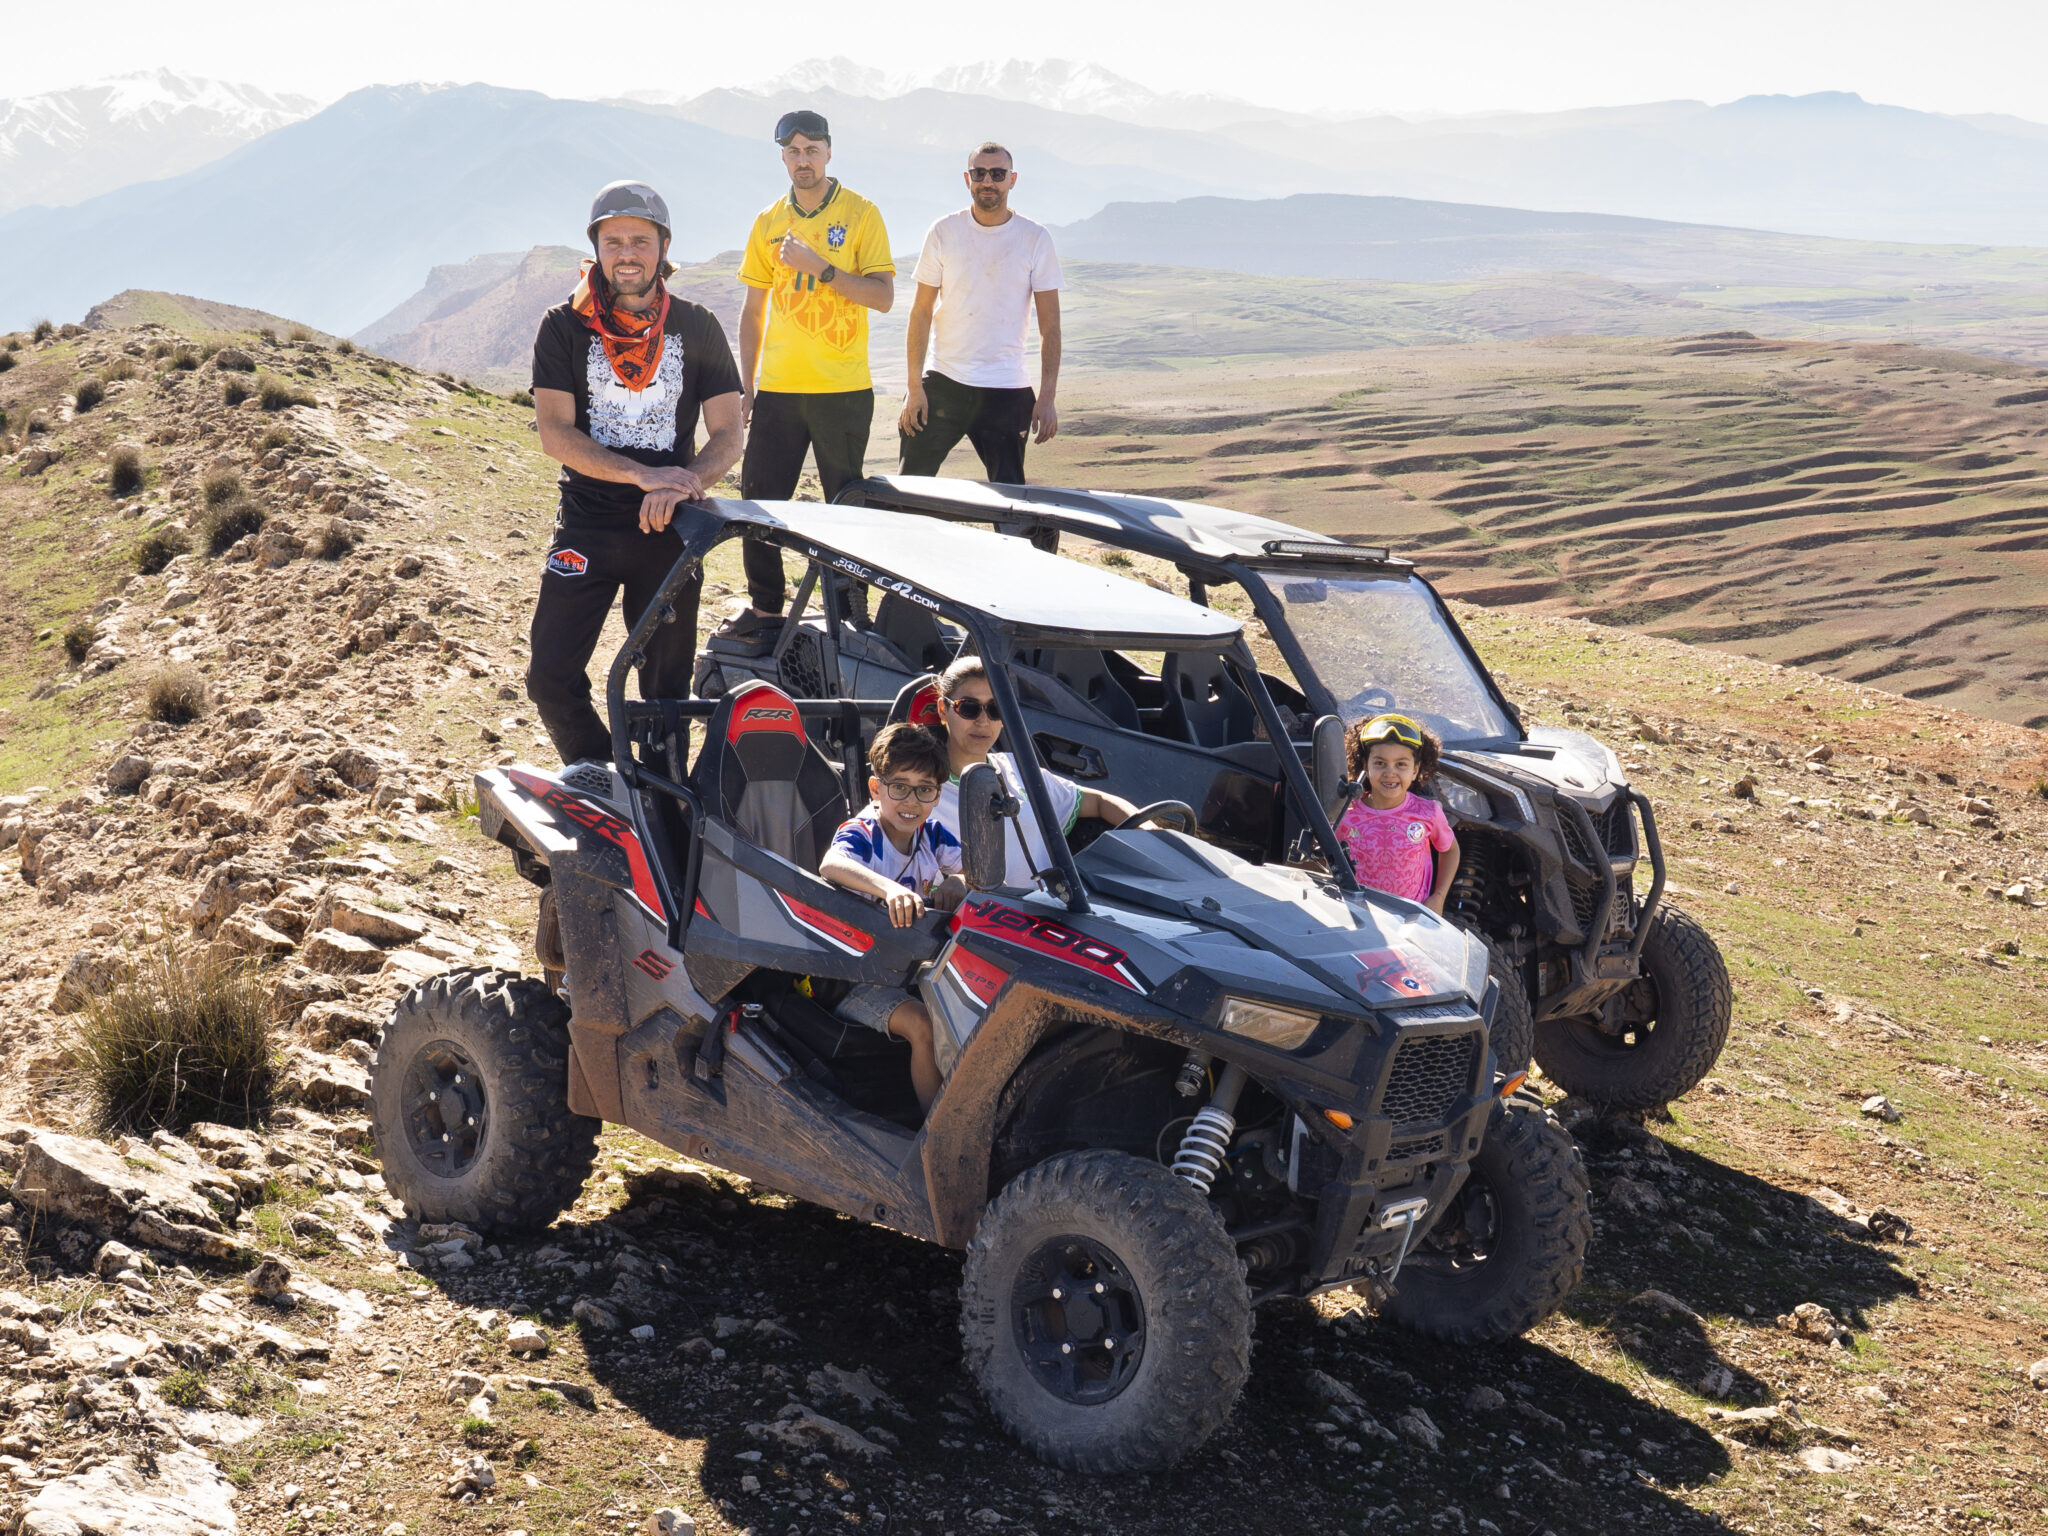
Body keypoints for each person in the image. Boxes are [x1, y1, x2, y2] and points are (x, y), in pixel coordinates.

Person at [526, 180, 743, 765]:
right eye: (613, 240)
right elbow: (555, 432)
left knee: (665, 697)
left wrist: (681, 482)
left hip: (671, 529)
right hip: (587, 526)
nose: (626, 253)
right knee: (549, 677)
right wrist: (639, 475)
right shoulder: (563, 326)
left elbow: (729, 434)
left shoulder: (697, 326)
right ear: (596, 248)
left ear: (663, 247)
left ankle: (664, 808)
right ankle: (604, 779)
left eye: (640, 241)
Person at [720, 109, 896, 649]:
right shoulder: (768, 220)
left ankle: (849, 611)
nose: (803, 160)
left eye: (812, 150)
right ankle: (765, 610)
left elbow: (883, 297)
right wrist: (748, 386)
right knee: (760, 501)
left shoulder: (861, 213)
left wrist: (821, 267)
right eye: (793, 151)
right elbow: (753, 311)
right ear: (782, 155)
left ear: (828, 151)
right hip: (778, 389)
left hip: (842, 390)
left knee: (845, 503)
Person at [898, 142, 1062, 484]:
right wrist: (914, 387)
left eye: (998, 174)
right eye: (980, 173)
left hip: (1006, 386)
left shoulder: (1035, 239)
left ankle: (1026, 541)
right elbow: (921, 313)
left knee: (1012, 503)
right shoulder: (943, 231)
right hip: (943, 381)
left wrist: (1047, 398)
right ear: (967, 178)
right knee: (908, 489)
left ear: (1012, 180)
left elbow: (1051, 327)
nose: (988, 181)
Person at [817, 723, 960, 1109]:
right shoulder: (863, 832)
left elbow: (974, 871)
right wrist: (890, 888)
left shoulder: (932, 834)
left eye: (924, 789)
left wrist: (959, 882)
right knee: (923, 1026)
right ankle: (934, 1133)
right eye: (899, 787)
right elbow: (832, 864)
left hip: (910, 968)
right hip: (857, 977)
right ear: (876, 789)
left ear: (937, 795)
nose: (911, 801)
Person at [932, 656, 1136, 890]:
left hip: (1047, 915)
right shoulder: (920, 789)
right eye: (969, 708)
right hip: (977, 923)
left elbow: (1099, 802)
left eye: (995, 709)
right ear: (943, 709)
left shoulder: (1017, 769)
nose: (982, 721)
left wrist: (1153, 833)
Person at [1333, 714, 1461, 913]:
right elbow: (1325, 858)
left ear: (1415, 770)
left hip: (1411, 922)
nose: (1390, 772)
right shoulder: (1345, 814)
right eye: (1380, 763)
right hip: (1360, 921)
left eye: (1401, 764)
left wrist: (1439, 897)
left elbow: (1450, 850)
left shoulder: (1428, 813)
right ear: (1365, 765)